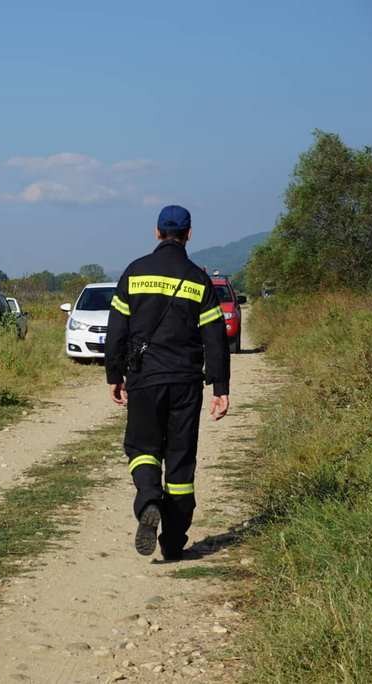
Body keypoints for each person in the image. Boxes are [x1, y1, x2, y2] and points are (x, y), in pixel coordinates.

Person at [104, 205, 230, 561]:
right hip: (187, 382)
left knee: (141, 447)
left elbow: (116, 331)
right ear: (189, 234)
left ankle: (147, 498)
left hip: (144, 378)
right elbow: (216, 338)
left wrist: (115, 375)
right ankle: (174, 541)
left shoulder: (134, 273)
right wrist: (220, 388)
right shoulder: (198, 279)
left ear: (157, 232)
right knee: (180, 461)